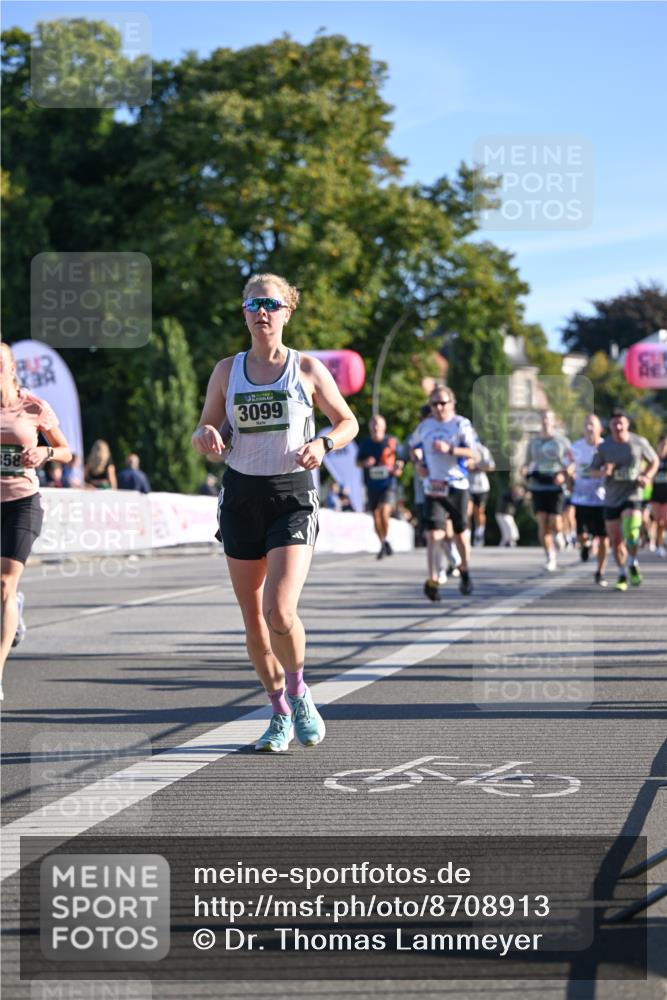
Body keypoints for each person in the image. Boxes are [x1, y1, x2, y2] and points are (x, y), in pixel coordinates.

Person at [191, 272, 358, 752]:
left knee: (280, 610)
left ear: (288, 311)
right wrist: (205, 435)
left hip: (291, 495)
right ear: (244, 312)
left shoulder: (305, 368)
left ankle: (300, 691)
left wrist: (325, 443)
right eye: (252, 304)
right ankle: (279, 711)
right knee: (254, 622)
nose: (261, 311)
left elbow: (347, 421)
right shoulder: (227, 370)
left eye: (271, 303)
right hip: (241, 495)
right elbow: (206, 425)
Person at [1, 341, 72, 699]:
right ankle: (14, 609)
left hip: (21, 504)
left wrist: (45, 451)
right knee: (4, 593)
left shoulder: (33, 406)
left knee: (3, 584)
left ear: (12, 369)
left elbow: (67, 451)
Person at [409, 386, 476, 601]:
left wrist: (450, 450)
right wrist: (419, 463)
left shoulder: (461, 424)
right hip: (433, 487)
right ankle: (433, 580)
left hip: (457, 485)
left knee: (460, 535)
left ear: (452, 404)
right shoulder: (425, 426)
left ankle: (464, 570)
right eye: (434, 404)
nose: (438, 407)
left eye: (443, 403)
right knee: (433, 534)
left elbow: (473, 452)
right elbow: (413, 447)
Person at [589, 409, 658, 590]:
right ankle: (622, 574)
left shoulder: (639, 442)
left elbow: (655, 461)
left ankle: (633, 561)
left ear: (627, 424)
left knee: (632, 533)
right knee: (616, 540)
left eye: (621, 423)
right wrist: (604, 472)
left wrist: (647, 476)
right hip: (612, 497)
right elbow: (592, 471)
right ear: (609, 427)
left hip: (633, 493)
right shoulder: (604, 447)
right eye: (614, 424)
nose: (618, 427)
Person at [520, 410, 572, 572]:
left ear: (553, 421)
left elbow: (572, 463)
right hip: (538, 484)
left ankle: (560, 533)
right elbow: (527, 462)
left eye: (548, 419)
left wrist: (564, 475)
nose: (545, 421)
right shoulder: (533, 442)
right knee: (542, 522)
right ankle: (550, 556)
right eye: (542, 419)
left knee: (554, 522)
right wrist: (524, 469)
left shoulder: (562, 441)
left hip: (556, 484)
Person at [568, 414, 609, 587]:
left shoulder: (606, 447)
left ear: (600, 428)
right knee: (581, 535)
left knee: (603, 539)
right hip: (581, 498)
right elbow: (567, 467)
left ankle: (600, 572)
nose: (589, 428)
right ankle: (585, 545)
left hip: (602, 499)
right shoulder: (576, 447)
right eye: (586, 425)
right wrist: (568, 477)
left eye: (592, 425)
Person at [356, 414, 404, 559]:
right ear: (370, 427)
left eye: (378, 424)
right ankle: (383, 542)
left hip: (388, 484)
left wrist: (398, 467)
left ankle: (386, 539)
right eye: (373, 424)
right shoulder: (365, 443)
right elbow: (357, 463)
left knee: (383, 510)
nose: (376, 426)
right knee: (376, 515)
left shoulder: (391, 442)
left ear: (384, 427)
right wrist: (365, 463)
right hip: (371, 485)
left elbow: (401, 459)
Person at [467, 435, 496, 547]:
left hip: (481, 486)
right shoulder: (462, 448)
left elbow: (491, 466)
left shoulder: (482, 450)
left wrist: (476, 467)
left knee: (479, 511)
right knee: (467, 512)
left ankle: (479, 532)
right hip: (467, 486)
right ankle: (467, 535)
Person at [650, 435, 667, 556]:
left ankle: (662, 541)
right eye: (662, 444)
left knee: (665, 521)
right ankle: (659, 545)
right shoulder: (653, 459)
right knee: (657, 521)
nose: (664, 446)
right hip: (655, 494)